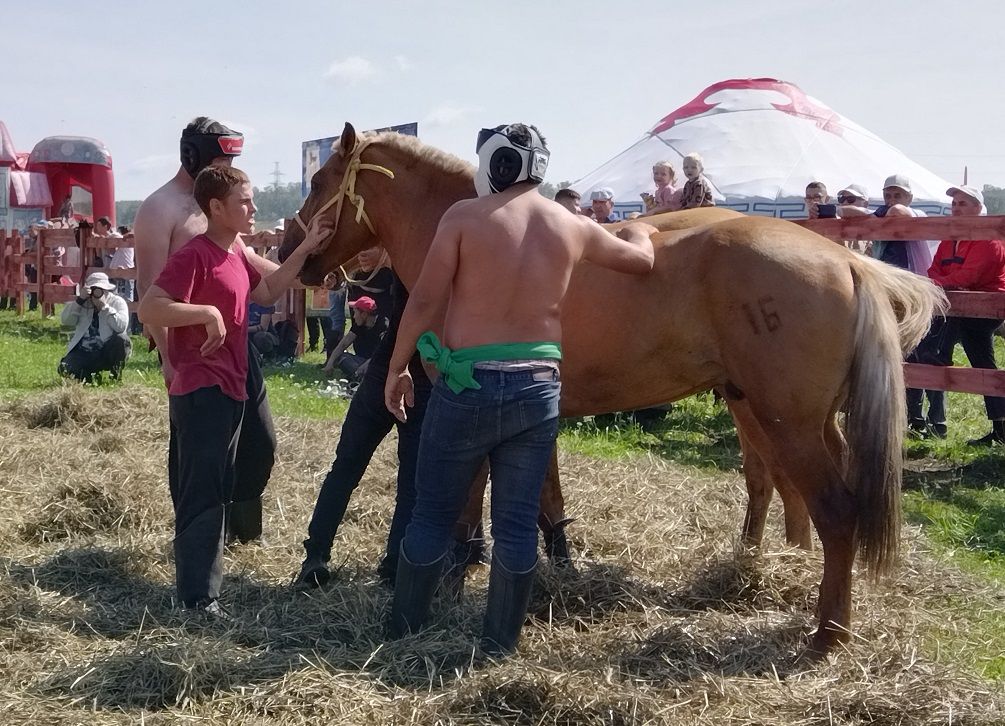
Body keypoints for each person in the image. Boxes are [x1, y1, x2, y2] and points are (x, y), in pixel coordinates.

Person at [384, 122, 655, 656]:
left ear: (497, 164)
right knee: (514, 525)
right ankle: (500, 644)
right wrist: (641, 230)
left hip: (467, 384)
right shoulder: (570, 225)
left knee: (432, 514)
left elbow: (424, 303)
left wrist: (398, 367)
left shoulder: (463, 217)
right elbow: (641, 260)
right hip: (538, 388)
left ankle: (404, 630)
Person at [138, 165, 326, 614]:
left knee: (223, 477)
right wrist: (207, 312)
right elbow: (150, 307)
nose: (253, 207)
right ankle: (197, 599)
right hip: (201, 387)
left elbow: (268, 290)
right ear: (216, 208)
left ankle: (208, 581)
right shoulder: (195, 254)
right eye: (244, 201)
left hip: (231, 384)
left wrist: (309, 248)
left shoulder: (234, 253)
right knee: (203, 488)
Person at [134, 116, 278, 544]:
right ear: (192, 155)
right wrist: (168, 359)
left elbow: (252, 266)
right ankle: (196, 540)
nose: (227, 169)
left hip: (233, 344)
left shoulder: (220, 206)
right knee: (195, 452)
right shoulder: (159, 209)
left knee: (260, 439)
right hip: (190, 352)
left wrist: (309, 271)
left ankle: (243, 533)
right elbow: (150, 291)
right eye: (219, 158)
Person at [295, 273, 433, 589]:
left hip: (406, 380)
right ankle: (321, 557)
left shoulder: (410, 266)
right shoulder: (381, 274)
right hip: (396, 379)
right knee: (354, 469)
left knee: (400, 478)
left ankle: (390, 567)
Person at [928, 185, 1005, 445]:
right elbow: (933, 269)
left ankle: (938, 355)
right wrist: (943, 283)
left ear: (978, 208)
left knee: (982, 366)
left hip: (984, 309)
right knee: (984, 366)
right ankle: (1000, 428)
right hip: (957, 306)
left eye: (963, 203)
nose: (957, 208)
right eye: (954, 204)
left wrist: (940, 283)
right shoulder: (949, 239)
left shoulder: (988, 238)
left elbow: (970, 277)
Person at [871, 174, 942, 437]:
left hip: (913, 292)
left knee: (922, 354)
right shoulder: (881, 217)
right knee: (895, 353)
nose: (892, 201)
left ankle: (933, 419)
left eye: (897, 194)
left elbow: (899, 212)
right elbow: (849, 211)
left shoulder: (914, 213)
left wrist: (880, 211)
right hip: (889, 291)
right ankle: (910, 417)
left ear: (909, 197)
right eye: (887, 195)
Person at [58, 271, 131, 382]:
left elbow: (121, 327)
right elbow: (66, 321)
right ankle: (89, 377)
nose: (97, 293)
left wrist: (104, 308)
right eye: (93, 289)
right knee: (64, 368)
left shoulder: (117, 302)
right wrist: (79, 301)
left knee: (122, 340)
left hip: (106, 351)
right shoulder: (82, 303)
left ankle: (115, 375)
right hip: (84, 351)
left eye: (100, 289)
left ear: (107, 290)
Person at [322, 296, 389, 380]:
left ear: (364, 314)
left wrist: (364, 367)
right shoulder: (359, 324)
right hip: (361, 361)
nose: (354, 316)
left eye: (355, 312)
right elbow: (343, 344)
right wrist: (330, 362)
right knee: (342, 357)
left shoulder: (384, 326)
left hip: (378, 364)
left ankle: (359, 379)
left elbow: (383, 354)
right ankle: (358, 378)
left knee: (374, 368)